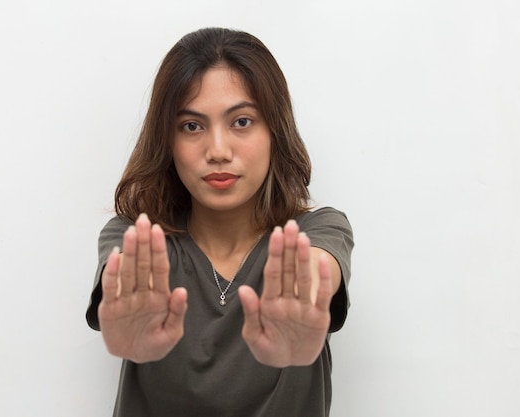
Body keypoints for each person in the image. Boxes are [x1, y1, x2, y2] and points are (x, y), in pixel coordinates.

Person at [86, 27, 354, 417]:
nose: (218, 151)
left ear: (274, 131)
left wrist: (309, 294)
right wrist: (126, 321)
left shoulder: (317, 231)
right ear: (168, 140)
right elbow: (120, 272)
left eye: (241, 121)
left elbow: (318, 268)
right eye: (191, 126)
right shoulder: (136, 237)